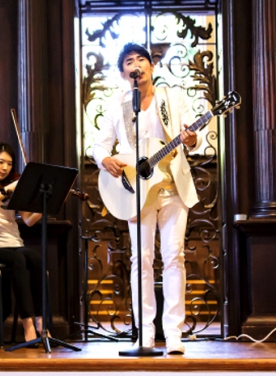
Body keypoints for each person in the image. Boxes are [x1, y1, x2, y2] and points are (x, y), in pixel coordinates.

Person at [92, 43, 201, 354]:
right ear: (123, 73)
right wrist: (105, 160)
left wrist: (191, 139)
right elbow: (99, 145)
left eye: (141, 59)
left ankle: (174, 335)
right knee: (141, 260)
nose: (136, 64)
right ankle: (145, 335)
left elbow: (192, 136)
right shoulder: (119, 105)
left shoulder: (172, 97)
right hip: (136, 191)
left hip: (172, 188)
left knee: (173, 256)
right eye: (129, 61)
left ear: (151, 67)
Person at [0, 141, 47, 345]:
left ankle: (41, 320)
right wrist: (10, 188)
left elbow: (28, 220)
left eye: (10, 164)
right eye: (1, 162)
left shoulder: (13, 187)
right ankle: (27, 324)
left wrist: (49, 204)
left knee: (37, 259)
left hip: (13, 243)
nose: (5, 168)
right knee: (18, 258)